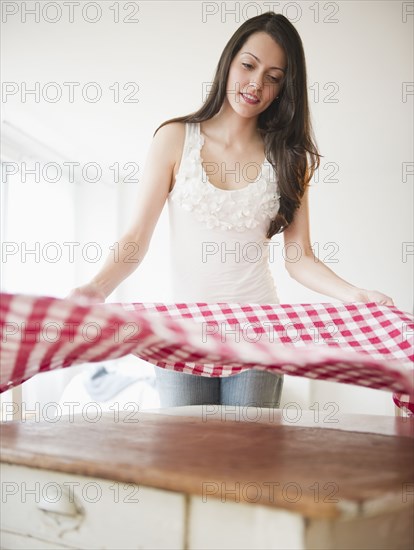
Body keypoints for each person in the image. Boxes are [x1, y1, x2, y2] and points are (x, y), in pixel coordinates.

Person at [68, 12, 394, 409]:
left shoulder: (290, 159)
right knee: (185, 456)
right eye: (248, 65)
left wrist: (354, 293)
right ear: (229, 62)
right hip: (183, 330)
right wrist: (96, 287)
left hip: (259, 332)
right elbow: (136, 239)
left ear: (284, 89)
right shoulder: (174, 138)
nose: (256, 84)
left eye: (274, 77)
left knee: (249, 461)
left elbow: (299, 258)